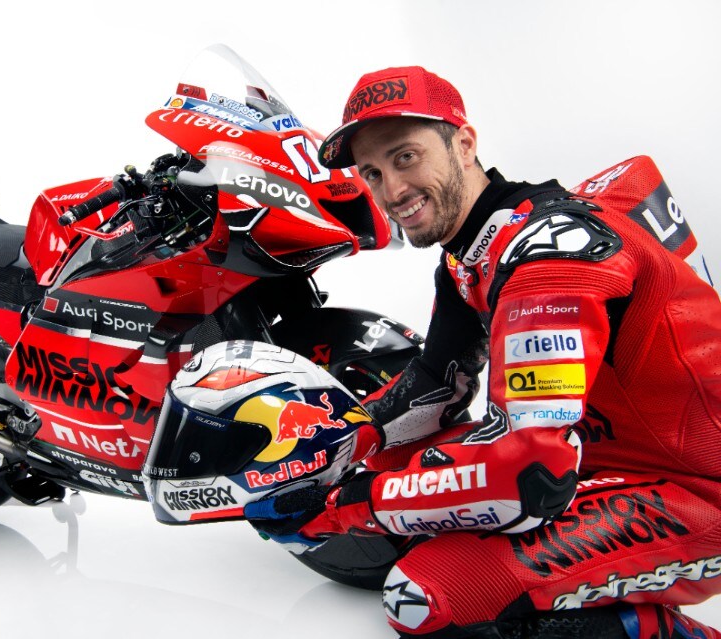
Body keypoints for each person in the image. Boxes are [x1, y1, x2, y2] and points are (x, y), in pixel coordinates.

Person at [245, 66, 721, 638]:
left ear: (464, 144)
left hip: (695, 492)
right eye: (373, 173)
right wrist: (327, 449)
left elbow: (530, 473)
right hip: (599, 455)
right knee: (389, 462)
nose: (392, 192)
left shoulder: (546, 261)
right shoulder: (471, 251)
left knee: (420, 601)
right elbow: (436, 384)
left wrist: (343, 506)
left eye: (405, 157)